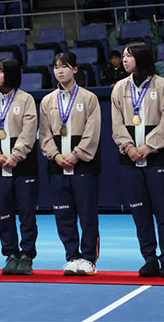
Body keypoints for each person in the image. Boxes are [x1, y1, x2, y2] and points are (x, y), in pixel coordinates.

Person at [111, 43, 164, 278]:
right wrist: (128, 147)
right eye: (123, 55)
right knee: (140, 212)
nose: (124, 59)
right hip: (130, 159)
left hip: (159, 158)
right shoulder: (120, 88)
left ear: (141, 58)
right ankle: (149, 258)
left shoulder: (162, 86)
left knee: (163, 212)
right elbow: (116, 124)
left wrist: (149, 146)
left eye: (129, 56)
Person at [39, 52, 101, 275]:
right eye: (56, 67)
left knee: (87, 214)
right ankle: (72, 256)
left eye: (64, 66)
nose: (60, 71)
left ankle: (88, 259)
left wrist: (76, 155)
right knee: (63, 215)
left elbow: (92, 132)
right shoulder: (47, 101)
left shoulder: (89, 98)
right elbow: (44, 134)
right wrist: (55, 156)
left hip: (83, 165)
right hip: (57, 166)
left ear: (75, 69)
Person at [0, 57, 39, 276]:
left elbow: (29, 133)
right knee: (3, 213)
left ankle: (27, 255)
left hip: (23, 165)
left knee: (26, 213)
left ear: (11, 74)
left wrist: (15, 156)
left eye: (1, 71)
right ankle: (10, 254)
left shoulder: (26, 99)